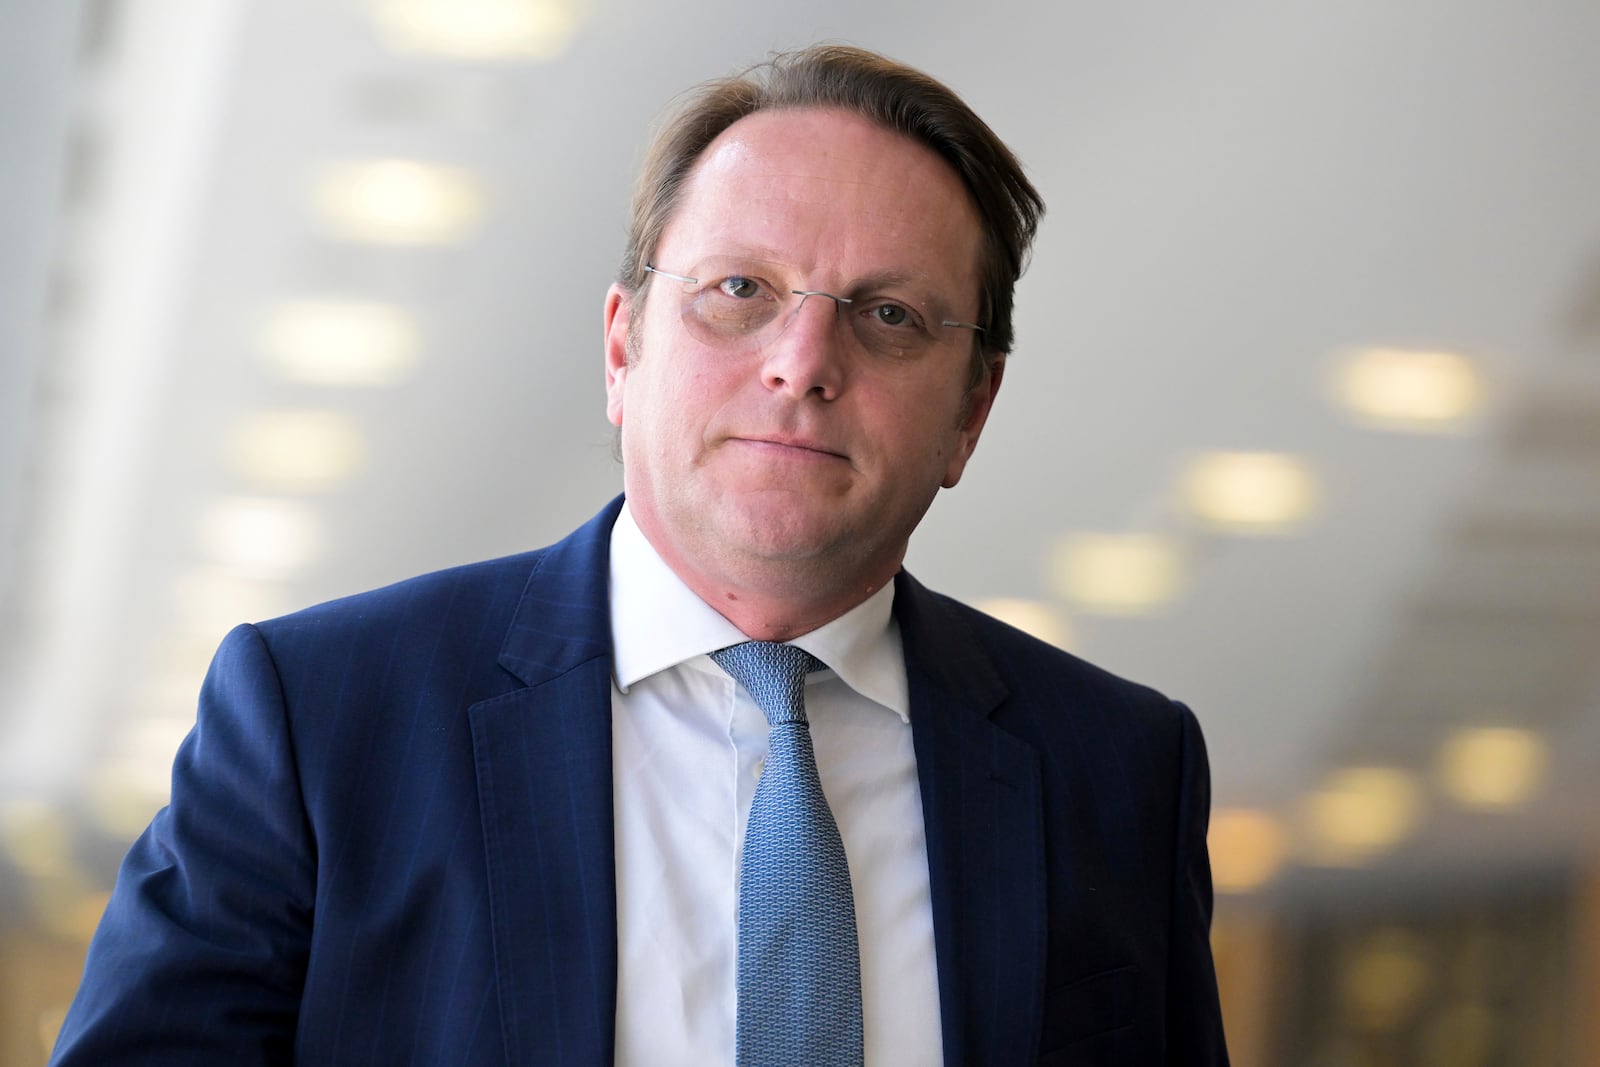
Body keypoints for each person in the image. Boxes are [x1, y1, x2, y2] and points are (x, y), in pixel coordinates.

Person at [52, 44, 1229, 1066]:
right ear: (623, 349)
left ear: (971, 410)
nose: (801, 361)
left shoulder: (1118, 773)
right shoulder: (320, 721)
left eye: (888, 316)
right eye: (738, 289)